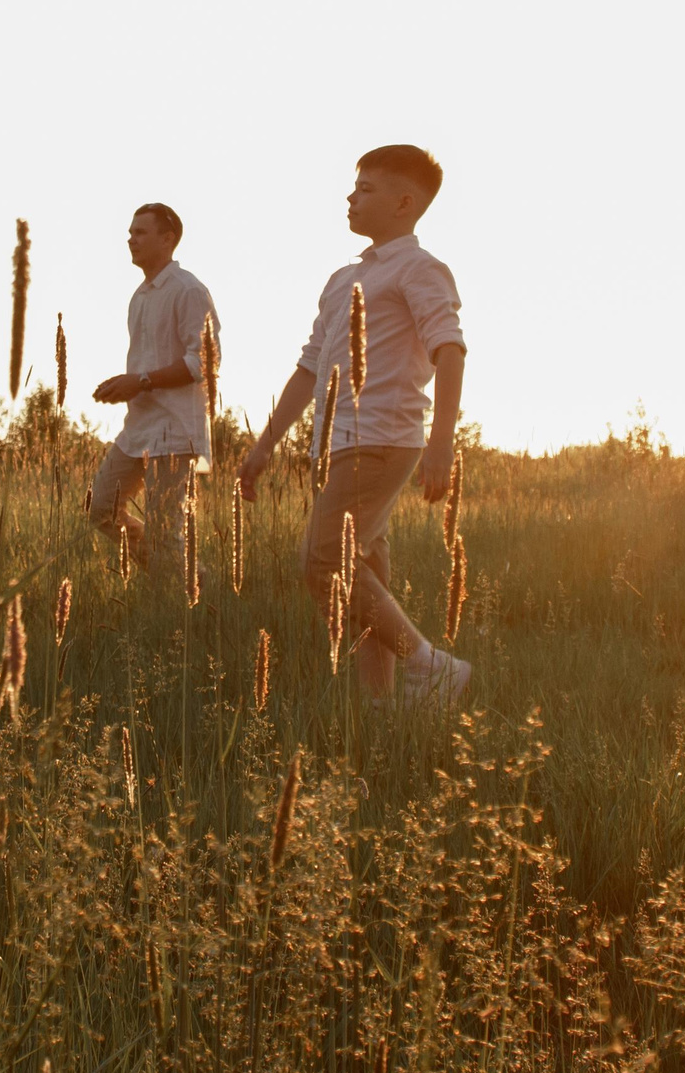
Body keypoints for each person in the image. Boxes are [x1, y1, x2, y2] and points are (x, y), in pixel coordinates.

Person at [238, 145, 470, 707]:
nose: (351, 196)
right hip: (335, 445)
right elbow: (309, 366)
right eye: (354, 185)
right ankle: (379, 707)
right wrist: (265, 444)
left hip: (383, 438)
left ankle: (432, 665)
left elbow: (450, 349)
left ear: (405, 202)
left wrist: (442, 445)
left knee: (323, 561)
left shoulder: (420, 269)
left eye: (366, 188)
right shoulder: (343, 279)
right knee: (366, 576)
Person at [88, 203, 218, 584]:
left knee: (166, 534)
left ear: (168, 239)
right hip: (138, 429)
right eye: (130, 232)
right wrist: (122, 386)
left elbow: (203, 363)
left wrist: (140, 381)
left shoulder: (189, 290)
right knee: (100, 510)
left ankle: (188, 593)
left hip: (175, 432)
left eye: (140, 232)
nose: (131, 239)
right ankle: (188, 578)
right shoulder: (140, 296)